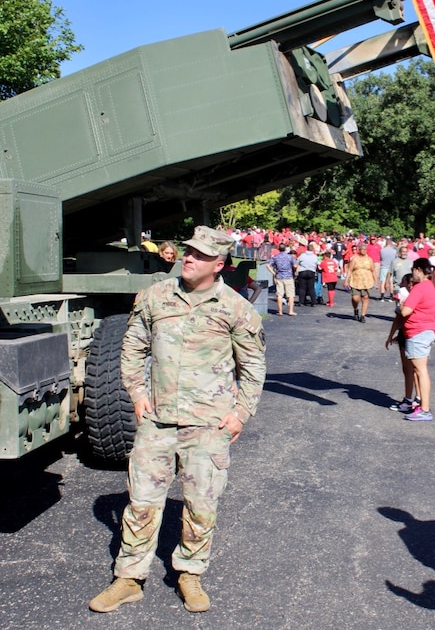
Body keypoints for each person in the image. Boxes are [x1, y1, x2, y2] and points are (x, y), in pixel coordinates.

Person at [89, 226, 267, 614]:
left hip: (209, 426)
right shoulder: (155, 298)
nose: (189, 258)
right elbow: (132, 348)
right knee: (141, 503)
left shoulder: (235, 308)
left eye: (200, 255)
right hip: (157, 422)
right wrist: (137, 395)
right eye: (188, 251)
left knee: (201, 505)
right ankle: (129, 577)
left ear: (218, 265)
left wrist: (240, 415)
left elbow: (253, 367)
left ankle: (190, 573)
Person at [399, 258, 435, 422]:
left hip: (418, 331)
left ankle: (425, 409)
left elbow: (405, 312)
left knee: (421, 370)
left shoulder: (420, 288)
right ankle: (422, 405)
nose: (412, 274)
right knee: (419, 370)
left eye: (413, 270)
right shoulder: (434, 286)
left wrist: (402, 304)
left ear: (418, 270)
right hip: (428, 329)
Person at [386, 273, 421, 413]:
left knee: (415, 369)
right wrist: (391, 336)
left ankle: (417, 399)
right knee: (408, 369)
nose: (402, 285)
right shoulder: (405, 298)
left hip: (414, 334)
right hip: (404, 334)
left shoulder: (413, 299)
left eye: (404, 282)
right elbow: (398, 319)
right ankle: (409, 399)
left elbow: (401, 316)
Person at [345, 242, 376, 322]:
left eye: (365, 249)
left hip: (366, 281)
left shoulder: (369, 259)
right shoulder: (354, 259)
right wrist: (346, 281)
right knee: (355, 298)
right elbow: (350, 270)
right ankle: (356, 310)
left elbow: (373, 271)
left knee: (365, 298)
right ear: (359, 250)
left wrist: (376, 282)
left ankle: (362, 316)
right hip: (356, 281)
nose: (364, 251)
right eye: (363, 249)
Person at [266, 242, 297, 316]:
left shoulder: (276, 257)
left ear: (278, 249)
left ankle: (280, 311)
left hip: (279, 276)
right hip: (288, 276)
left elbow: (268, 265)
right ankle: (291, 311)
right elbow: (295, 266)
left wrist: (274, 273)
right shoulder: (290, 257)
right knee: (290, 294)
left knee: (279, 294)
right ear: (285, 249)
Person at [296, 242, 320, 306]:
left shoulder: (302, 255)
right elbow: (317, 264)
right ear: (312, 249)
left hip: (302, 271)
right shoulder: (315, 256)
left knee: (302, 288)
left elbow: (296, 263)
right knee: (311, 288)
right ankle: (313, 302)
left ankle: (301, 302)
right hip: (311, 272)